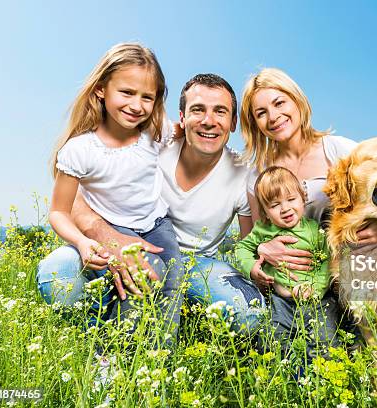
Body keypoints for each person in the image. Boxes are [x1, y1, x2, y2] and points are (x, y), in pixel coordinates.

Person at [37, 73, 265, 334]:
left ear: (233, 122)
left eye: (220, 112)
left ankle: (173, 321)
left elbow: (250, 243)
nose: (208, 121)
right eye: (197, 110)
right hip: (118, 241)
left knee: (249, 311)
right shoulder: (153, 143)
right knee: (58, 275)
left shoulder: (244, 174)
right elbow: (77, 195)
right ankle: (103, 336)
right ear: (182, 118)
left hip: (195, 264)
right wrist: (111, 240)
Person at [46, 42, 184, 340]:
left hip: (158, 226)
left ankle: (163, 355)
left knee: (173, 282)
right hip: (115, 226)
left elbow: (181, 129)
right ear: (100, 89)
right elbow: (58, 212)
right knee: (137, 279)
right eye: (127, 93)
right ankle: (114, 354)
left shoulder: (154, 132)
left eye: (147, 97)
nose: (137, 106)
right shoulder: (80, 150)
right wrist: (83, 242)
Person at [239, 67, 377, 291]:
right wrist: (262, 250)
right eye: (261, 113)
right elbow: (254, 239)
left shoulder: (341, 151)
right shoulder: (258, 174)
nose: (273, 116)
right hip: (294, 285)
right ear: (254, 123)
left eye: (279, 103)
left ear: (297, 101)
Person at [235, 167, 339, 360]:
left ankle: (321, 377)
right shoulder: (263, 231)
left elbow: (325, 262)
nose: (285, 209)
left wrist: (314, 289)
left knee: (324, 339)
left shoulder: (315, 231)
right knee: (272, 339)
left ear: (303, 198)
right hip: (279, 299)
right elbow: (241, 248)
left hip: (315, 300)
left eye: (291, 200)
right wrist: (252, 268)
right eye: (274, 205)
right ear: (265, 212)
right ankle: (285, 376)